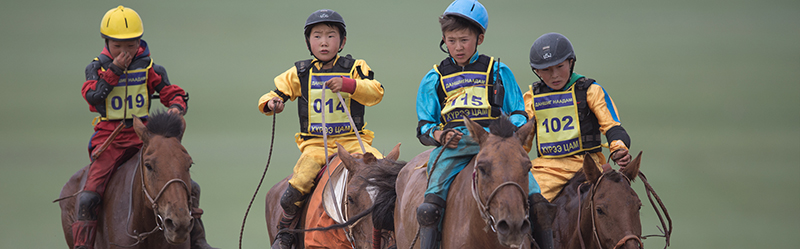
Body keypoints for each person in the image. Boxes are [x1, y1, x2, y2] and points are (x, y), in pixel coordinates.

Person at [414, 1, 553, 248]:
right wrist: (440, 135)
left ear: (480, 38)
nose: (457, 47)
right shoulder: (434, 77)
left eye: (464, 40)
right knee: (428, 209)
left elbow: (519, 111)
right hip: (453, 149)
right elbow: (425, 124)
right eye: (451, 40)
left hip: (498, 148)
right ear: (444, 39)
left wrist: (507, 132)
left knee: (540, 205)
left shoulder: (499, 71)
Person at [75, 6, 217, 249]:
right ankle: (83, 244)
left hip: (147, 137)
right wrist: (115, 70)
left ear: (140, 41)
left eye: (131, 45)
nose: (125, 51)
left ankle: (198, 239)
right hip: (110, 137)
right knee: (89, 194)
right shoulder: (96, 69)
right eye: (118, 46)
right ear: (106, 42)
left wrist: (176, 106)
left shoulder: (149, 67)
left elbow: (173, 92)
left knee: (188, 183)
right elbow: (94, 96)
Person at [258, 9, 385, 249]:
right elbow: (274, 92)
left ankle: (387, 227)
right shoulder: (300, 72)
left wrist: (348, 84)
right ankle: (285, 232)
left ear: (342, 41)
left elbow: (376, 91)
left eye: (330, 36)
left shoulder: (355, 67)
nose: (324, 42)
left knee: (382, 172)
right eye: (317, 36)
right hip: (316, 145)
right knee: (299, 182)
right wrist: (271, 103)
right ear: (308, 42)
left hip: (354, 142)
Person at [523, 32, 633, 202]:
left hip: (589, 166)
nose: (555, 75)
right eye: (546, 70)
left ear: (571, 62)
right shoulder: (531, 99)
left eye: (560, 66)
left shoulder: (591, 90)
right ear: (536, 71)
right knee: (521, 206)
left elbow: (612, 126)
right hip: (546, 170)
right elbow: (522, 143)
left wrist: (618, 149)